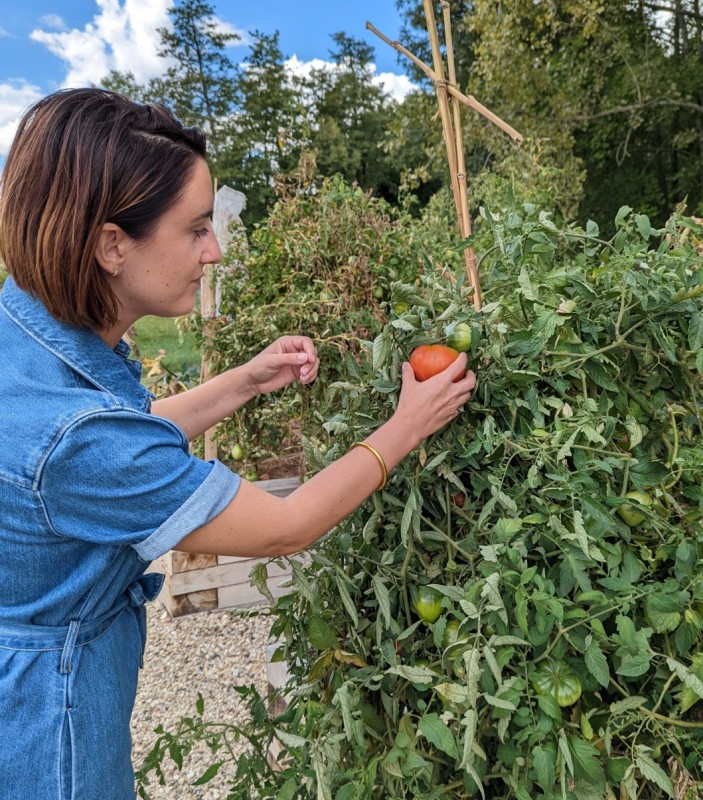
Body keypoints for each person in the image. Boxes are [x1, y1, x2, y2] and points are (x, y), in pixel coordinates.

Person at [0, 88, 475, 800]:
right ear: (110, 244)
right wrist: (407, 425)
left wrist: (246, 381)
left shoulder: (30, 337)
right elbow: (286, 528)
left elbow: (129, 439)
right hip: (49, 734)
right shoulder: (72, 437)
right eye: (195, 230)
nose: (214, 250)